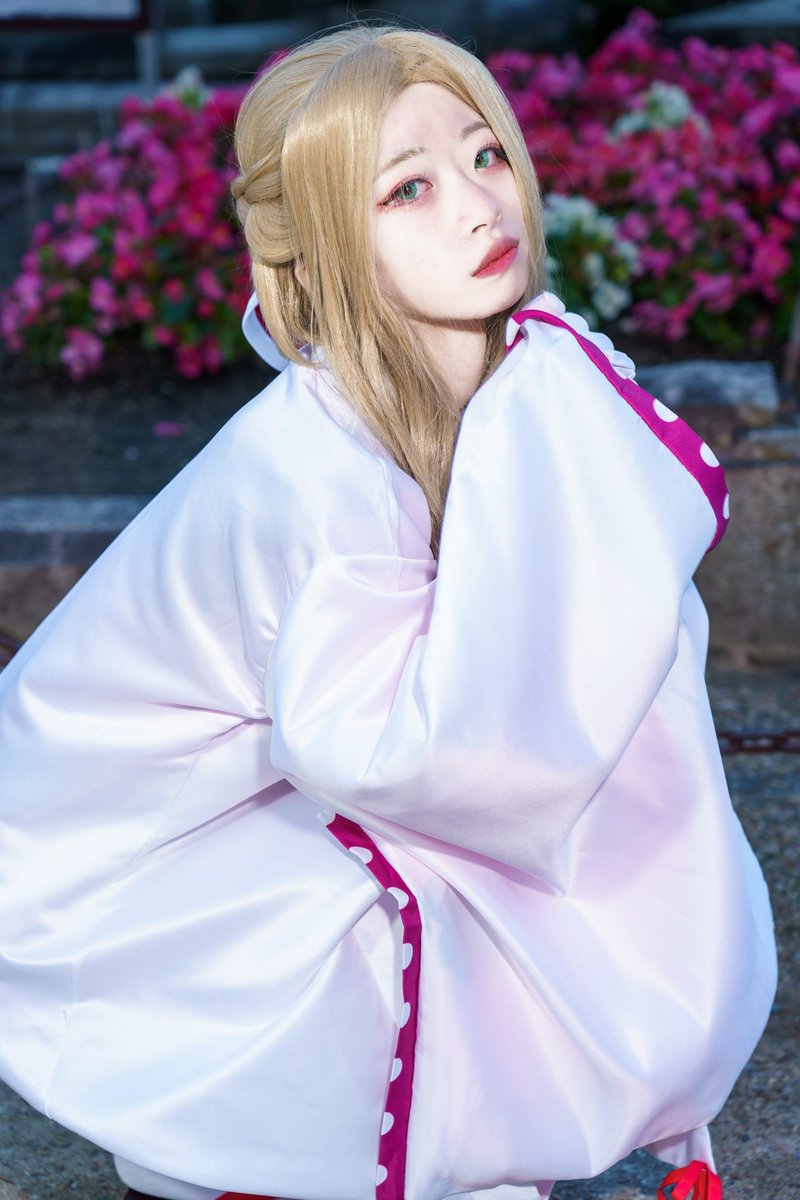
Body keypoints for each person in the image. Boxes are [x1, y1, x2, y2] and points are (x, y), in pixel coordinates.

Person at [0, 25, 776, 1200]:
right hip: (108, 861)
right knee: (425, 883)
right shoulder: (313, 466)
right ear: (322, 243)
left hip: (262, 779)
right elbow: (390, 757)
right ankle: (268, 1139)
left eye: (483, 154)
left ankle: (433, 1126)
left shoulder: (500, 378)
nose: (477, 205)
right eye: (407, 189)